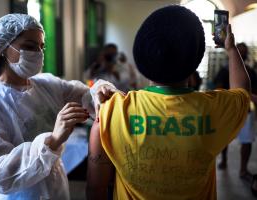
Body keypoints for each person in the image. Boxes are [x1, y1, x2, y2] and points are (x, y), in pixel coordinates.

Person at [86, 5, 251, 200]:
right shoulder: (213, 109)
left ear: (142, 56)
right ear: (195, 60)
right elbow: (242, 92)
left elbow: (96, 189)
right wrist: (231, 49)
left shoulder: (111, 111)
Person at [0, 13, 117, 200]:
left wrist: (100, 89)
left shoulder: (47, 85)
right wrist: (54, 140)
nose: (38, 53)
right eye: (29, 47)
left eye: (41, 47)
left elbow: (86, 97)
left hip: (56, 188)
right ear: (2, 48)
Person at [215, 43, 257, 180]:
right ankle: (224, 159)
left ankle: (243, 169)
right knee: (224, 139)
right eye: (240, 51)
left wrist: (249, 97)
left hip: (247, 111)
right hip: (228, 111)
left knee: (247, 141)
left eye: (244, 52)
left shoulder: (251, 71)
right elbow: (219, 90)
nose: (242, 54)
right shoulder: (224, 70)